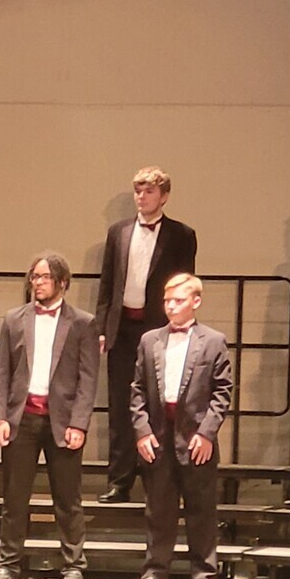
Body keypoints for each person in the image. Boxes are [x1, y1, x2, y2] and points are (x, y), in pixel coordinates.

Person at [0, 253, 99, 579]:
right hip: (22, 420)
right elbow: (2, 373)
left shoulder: (82, 322)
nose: (37, 283)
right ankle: (8, 564)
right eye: (34, 277)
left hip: (62, 422)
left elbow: (88, 378)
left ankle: (73, 566)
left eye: (44, 277)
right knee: (14, 498)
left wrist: (79, 424)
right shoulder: (14, 319)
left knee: (68, 499)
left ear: (62, 282)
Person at [96, 167, 197, 503]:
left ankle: (161, 480)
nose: (142, 197)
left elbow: (184, 283)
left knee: (159, 405)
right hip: (122, 328)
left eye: (149, 191)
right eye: (138, 191)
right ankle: (120, 480)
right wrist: (102, 328)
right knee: (121, 405)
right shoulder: (118, 232)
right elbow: (108, 284)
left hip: (159, 329)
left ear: (164, 196)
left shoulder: (182, 234)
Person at [130, 274, 232, 579]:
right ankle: (155, 571)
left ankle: (203, 573)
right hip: (159, 434)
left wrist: (207, 433)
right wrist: (142, 430)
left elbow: (222, 393)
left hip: (196, 437)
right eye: (167, 300)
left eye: (178, 300)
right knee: (158, 508)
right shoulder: (150, 340)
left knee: (201, 508)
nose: (171, 306)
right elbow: (137, 390)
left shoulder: (214, 340)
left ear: (195, 302)